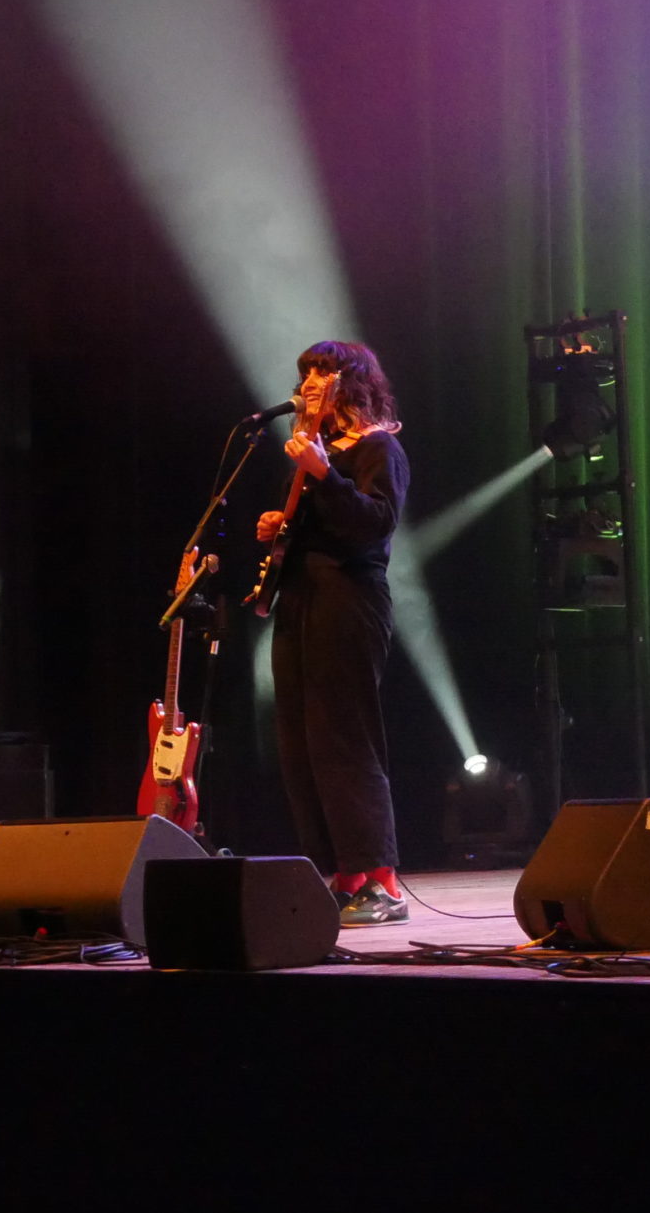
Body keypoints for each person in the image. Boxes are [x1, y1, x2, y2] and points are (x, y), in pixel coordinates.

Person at [255, 341, 411, 928]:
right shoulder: (313, 449)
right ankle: (342, 875)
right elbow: (318, 526)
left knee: (345, 738)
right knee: (301, 741)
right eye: (306, 372)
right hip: (301, 597)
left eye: (324, 371)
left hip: (348, 598)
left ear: (353, 382)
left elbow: (375, 524)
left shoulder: (378, 447)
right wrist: (279, 526)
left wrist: (325, 475)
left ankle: (381, 881)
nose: (311, 381)